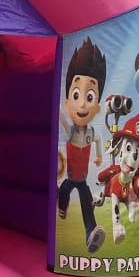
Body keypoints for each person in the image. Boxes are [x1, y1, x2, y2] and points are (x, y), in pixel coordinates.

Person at [58, 37, 107, 253]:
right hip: (71, 177)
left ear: (97, 107)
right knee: (64, 191)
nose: (82, 104)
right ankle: (62, 207)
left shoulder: (91, 133)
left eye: (89, 97)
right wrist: (58, 106)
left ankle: (91, 233)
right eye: (76, 95)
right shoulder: (70, 131)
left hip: (83, 179)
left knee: (87, 203)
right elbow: (62, 118)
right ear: (68, 101)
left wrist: (98, 155)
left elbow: (98, 140)